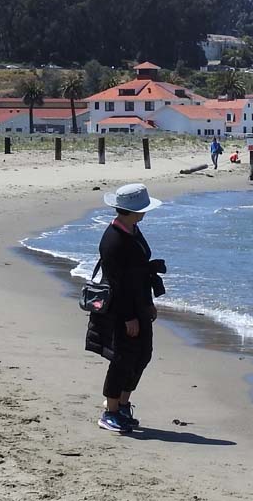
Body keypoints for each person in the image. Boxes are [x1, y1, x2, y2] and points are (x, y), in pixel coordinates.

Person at [92, 183, 164, 433]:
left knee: (142, 355)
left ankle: (122, 405)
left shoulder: (133, 229)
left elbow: (138, 272)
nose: (145, 212)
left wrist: (149, 303)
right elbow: (116, 284)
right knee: (122, 360)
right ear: (132, 210)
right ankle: (109, 412)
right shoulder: (113, 239)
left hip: (140, 303)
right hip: (122, 310)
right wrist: (129, 317)